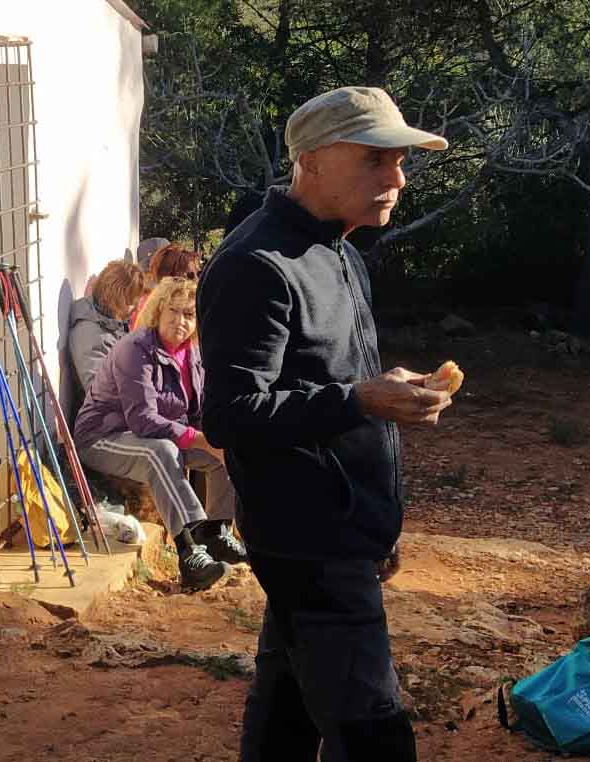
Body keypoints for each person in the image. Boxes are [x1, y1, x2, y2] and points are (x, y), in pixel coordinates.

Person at [199, 85, 456, 761]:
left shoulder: (340, 250)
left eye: (400, 160)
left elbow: (333, 381)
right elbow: (229, 415)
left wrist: (377, 515)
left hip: (340, 527)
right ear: (310, 161)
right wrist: (362, 400)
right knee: (374, 733)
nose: (396, 178)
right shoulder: (257, 265)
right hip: (307, 536)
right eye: (375, 159)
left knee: (288, 707)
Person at [74, 276, 243, 590]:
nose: (181, 321)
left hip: (156, 436)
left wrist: (217, 437)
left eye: (189, 315)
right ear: (158, 311)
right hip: (103, 437)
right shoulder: (135, 349)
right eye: (174, 311)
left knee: (227, 445)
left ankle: (216, 534)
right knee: (161, 452)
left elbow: (198, 412)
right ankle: (189, 552)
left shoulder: (191, 353)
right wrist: (201, 439)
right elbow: (142, 420)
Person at [59, 258, 149, 422]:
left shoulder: (112, 322)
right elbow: (100, 393)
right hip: (101, 425)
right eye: (130, 302)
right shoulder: (91, 334)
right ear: (114, 298)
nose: (136, 308)